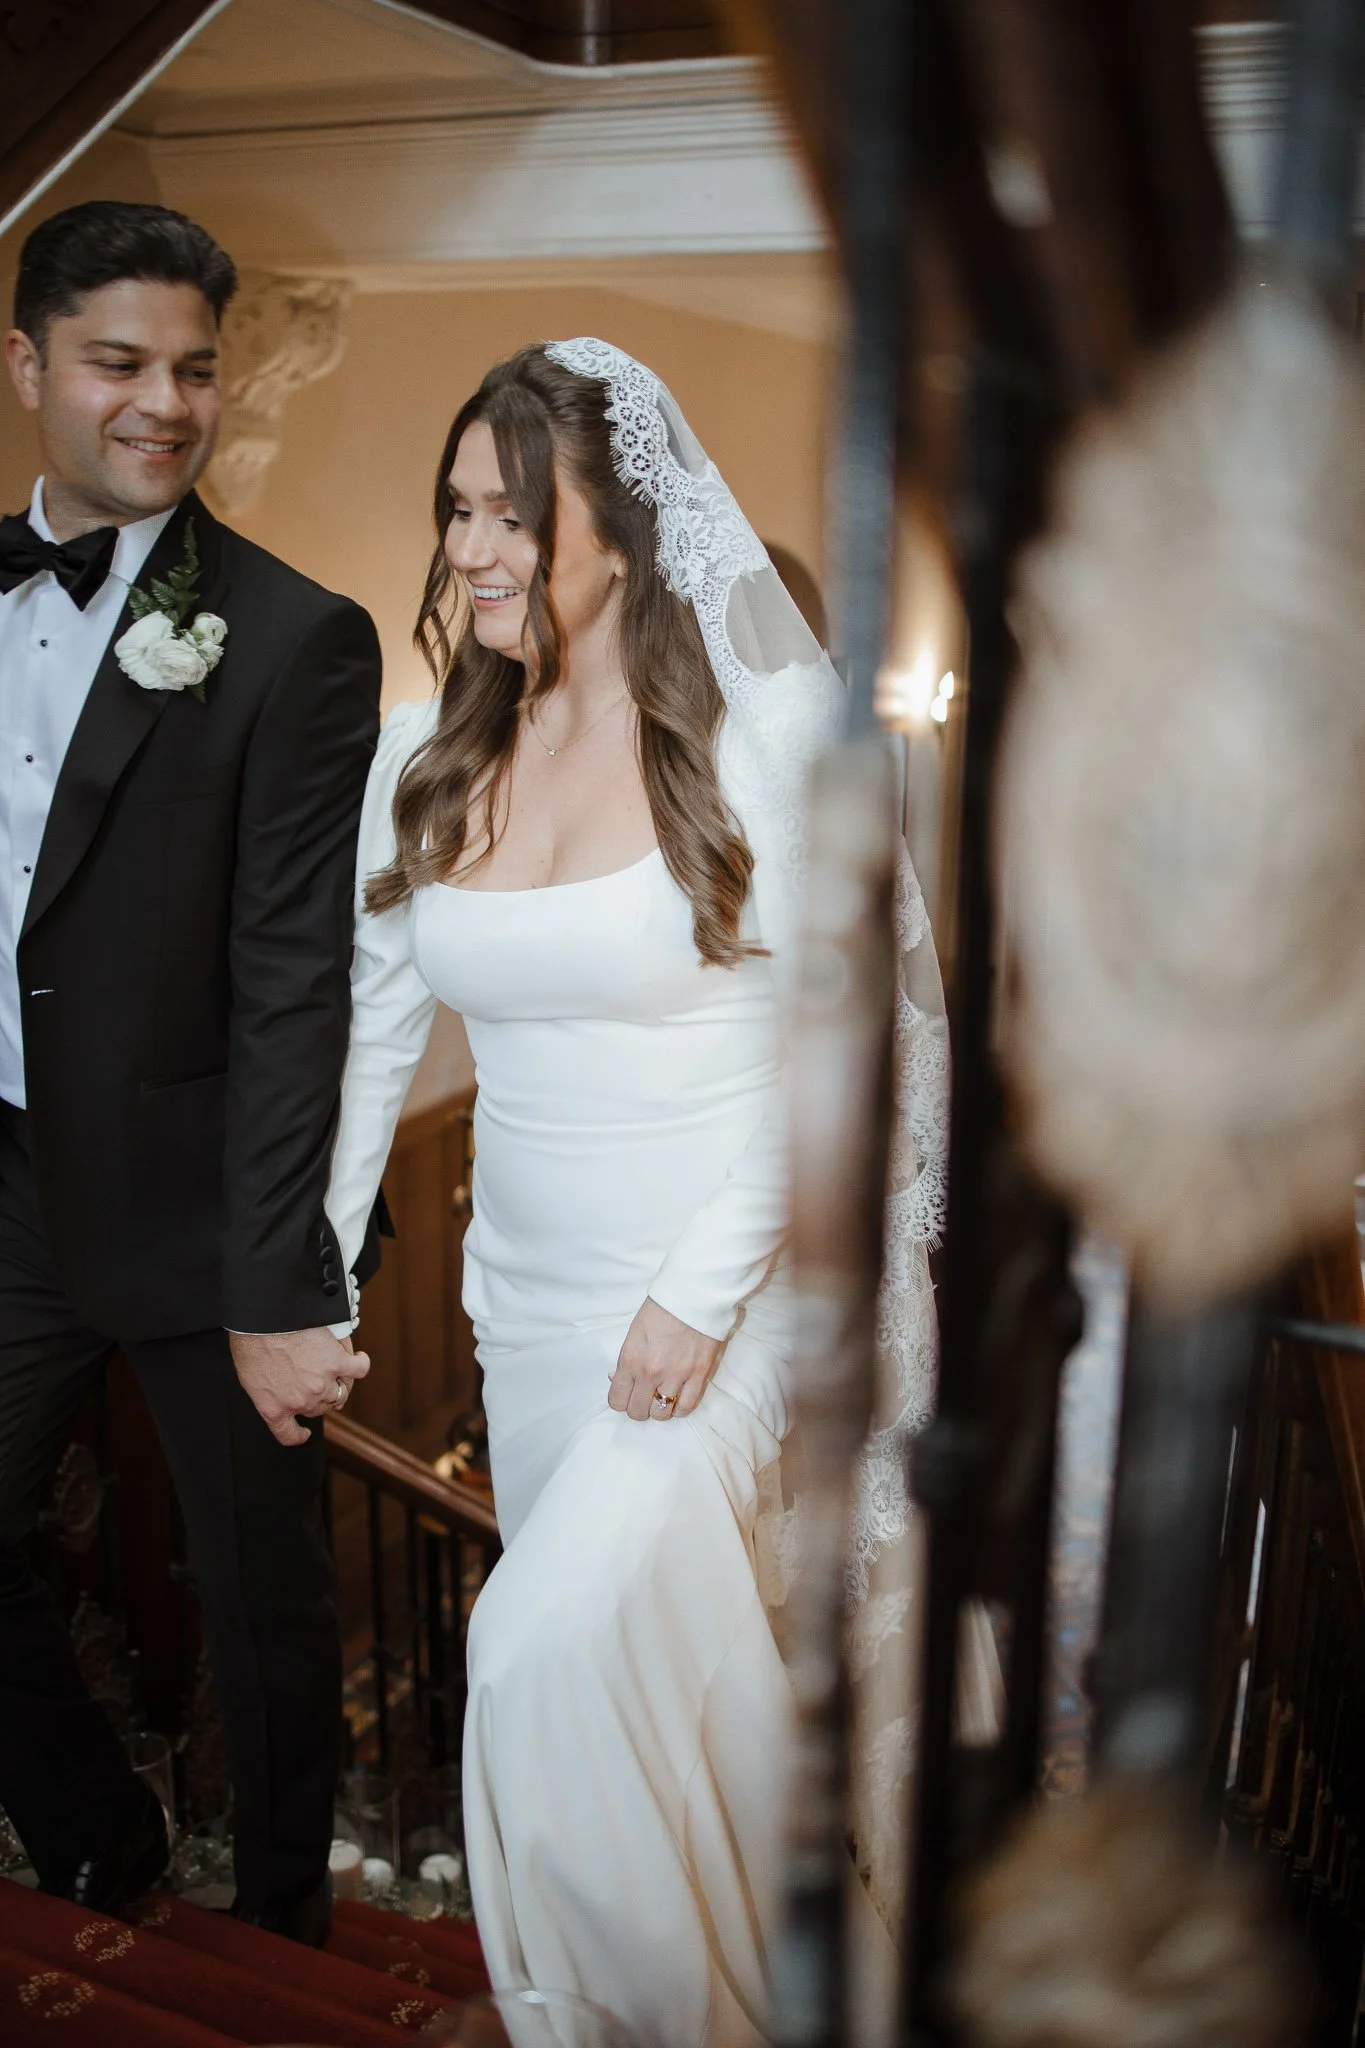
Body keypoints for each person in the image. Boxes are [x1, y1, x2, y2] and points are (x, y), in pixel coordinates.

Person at [325, 340, 947, 2044]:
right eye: (456, 510)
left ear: (626, 532)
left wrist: (691, 1298)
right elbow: (375, 1050)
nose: (471, 549)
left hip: (724, 1299)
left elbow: (835, 1050)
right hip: (521, 1318)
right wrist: (307, 1278)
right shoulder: (423, 755)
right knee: (669, 1703)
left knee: (532, 1659)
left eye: (512, 513)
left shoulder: (769, 739)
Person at [0, 200, 381, 1940]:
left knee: (265, 1605)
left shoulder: (295, 638)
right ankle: (94, 1829)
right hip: (4, 1186)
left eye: (194, 370)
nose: (166, 403)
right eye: (120, 363)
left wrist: (278, 1277)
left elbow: (295, 980)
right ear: (25, 369)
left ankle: (292, 1929)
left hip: (193, 1205)